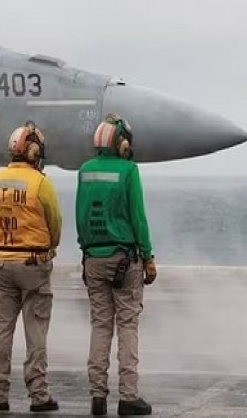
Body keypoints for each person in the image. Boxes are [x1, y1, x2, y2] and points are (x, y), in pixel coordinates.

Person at [75, 113, 157, 416]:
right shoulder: (128, 171)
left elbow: (80, 216)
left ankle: (97, 396)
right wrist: (148, 257)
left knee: (100, 326)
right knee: (127, 326)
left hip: (93, 259)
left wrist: (87, 251)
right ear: (121, 142)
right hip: (125, 260)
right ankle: (128, 396)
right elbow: (139, 218)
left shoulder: (84, 171)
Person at [0, 123, 61, 413]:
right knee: (36, 333)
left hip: (2, 263)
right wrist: (50, 246)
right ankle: (39, 396)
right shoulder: (41, 183)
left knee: (1, 332)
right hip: (33, 264)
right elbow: (54, 223)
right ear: (34, 151)